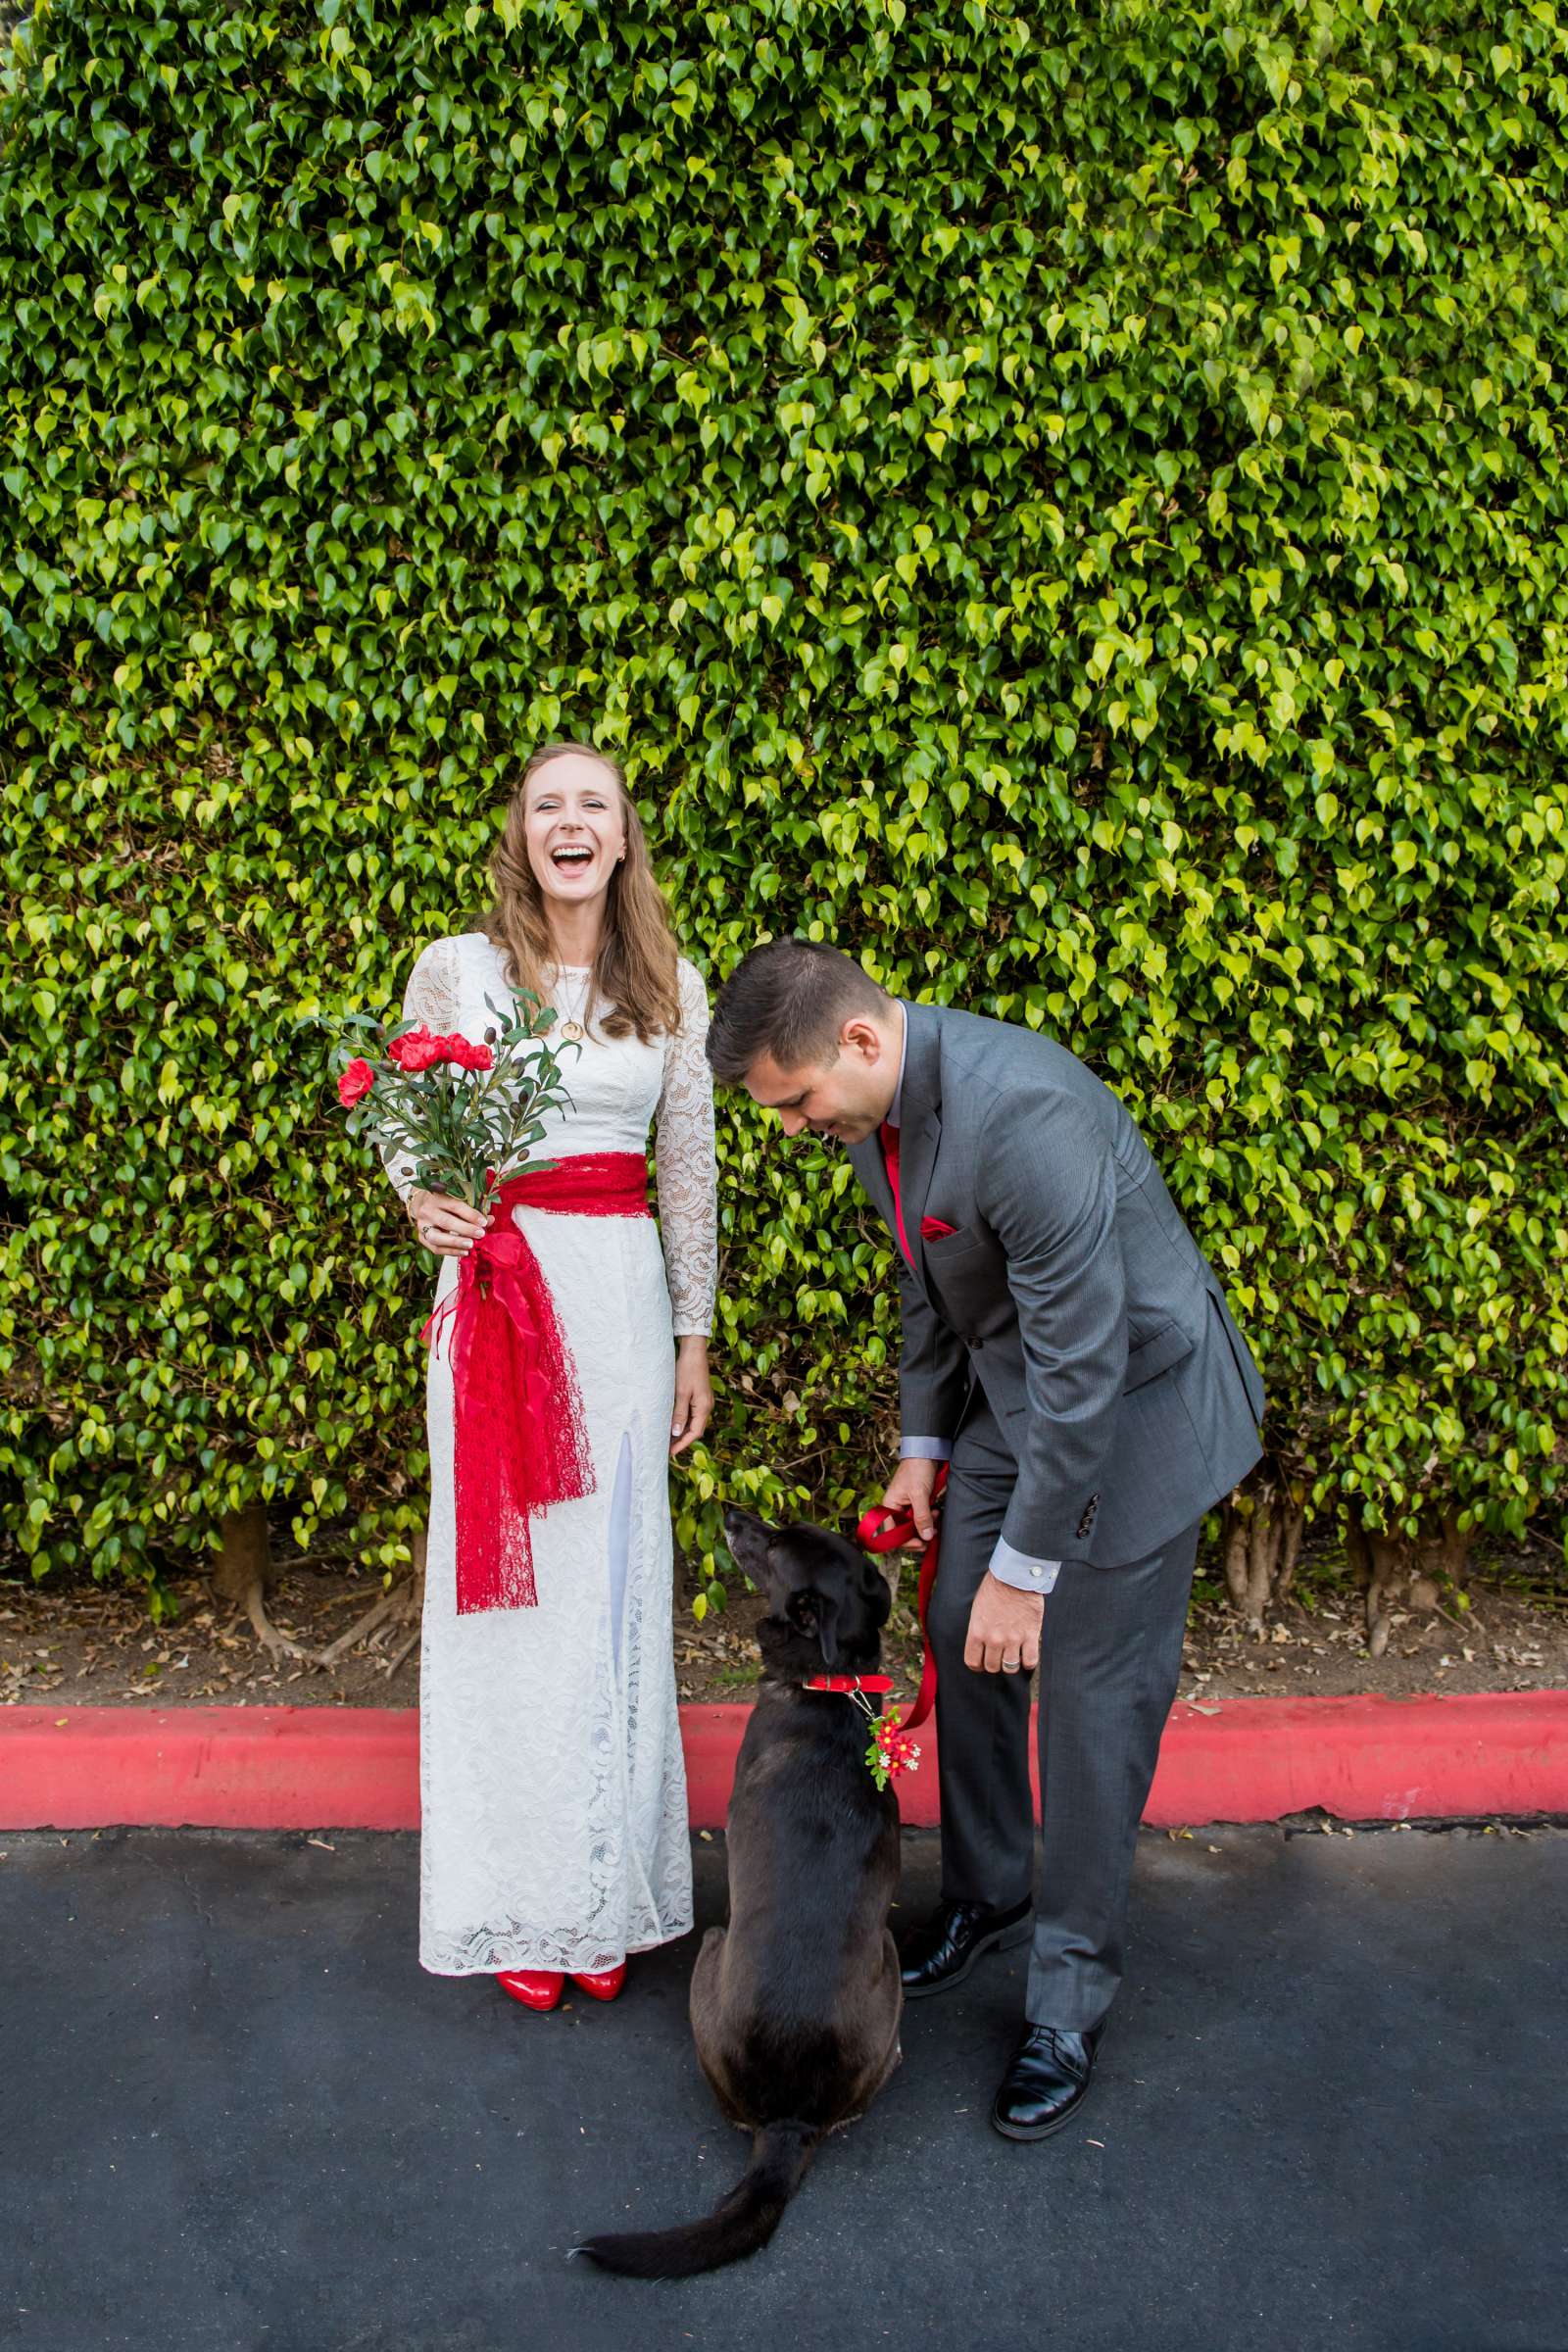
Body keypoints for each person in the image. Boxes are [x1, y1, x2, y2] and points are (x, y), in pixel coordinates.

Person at [705, 940, 1263, 2138]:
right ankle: (992, 1886)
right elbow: (931, 1282)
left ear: (858, 1040)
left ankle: (1067, 1998)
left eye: (795, 1101)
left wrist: (1026, 1567)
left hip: (1135, 1412)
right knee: (958, 1626)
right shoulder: (872, 1115)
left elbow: (1085, 1371)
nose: (795, 1127)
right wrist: (924, 1448)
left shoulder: (1027, 1117)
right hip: (1027, 1396)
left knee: (1093, 1702)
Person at [381, 742, 716, 2010]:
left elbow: (686, 1169)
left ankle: (600, 1895)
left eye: (594, 806)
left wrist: (694, 1336)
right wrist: (422, 1195)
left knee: (610, 1597)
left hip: (620, 1312)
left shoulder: (668, 982)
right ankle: (515, 1898)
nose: (570, 825)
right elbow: (403, 1113)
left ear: (624, 836)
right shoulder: (457, 971)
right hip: (499, 1302)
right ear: (519, 835)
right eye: (546, 807)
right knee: (507, 1603)